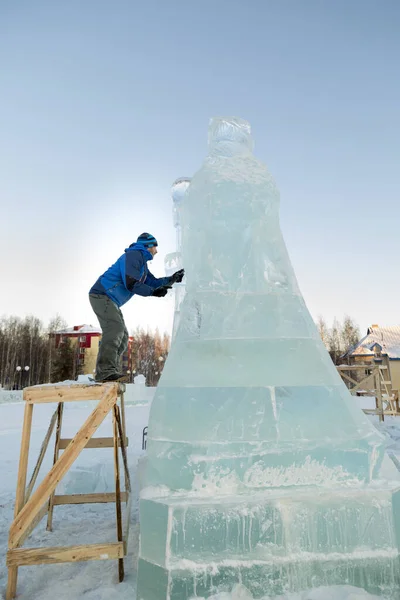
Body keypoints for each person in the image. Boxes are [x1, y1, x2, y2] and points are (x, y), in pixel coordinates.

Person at [89, 232, 184, 382]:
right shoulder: (134, 255)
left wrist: (172, 279)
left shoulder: (142, 265)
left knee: (123, 337)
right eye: (155, 247)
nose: (157, 251)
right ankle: (104, 372)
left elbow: (152, 282)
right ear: (148, 246)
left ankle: (109, 370)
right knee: (115, 329)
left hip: (110, 299)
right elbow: (131, 283)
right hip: (101, 295)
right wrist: (153, 292)